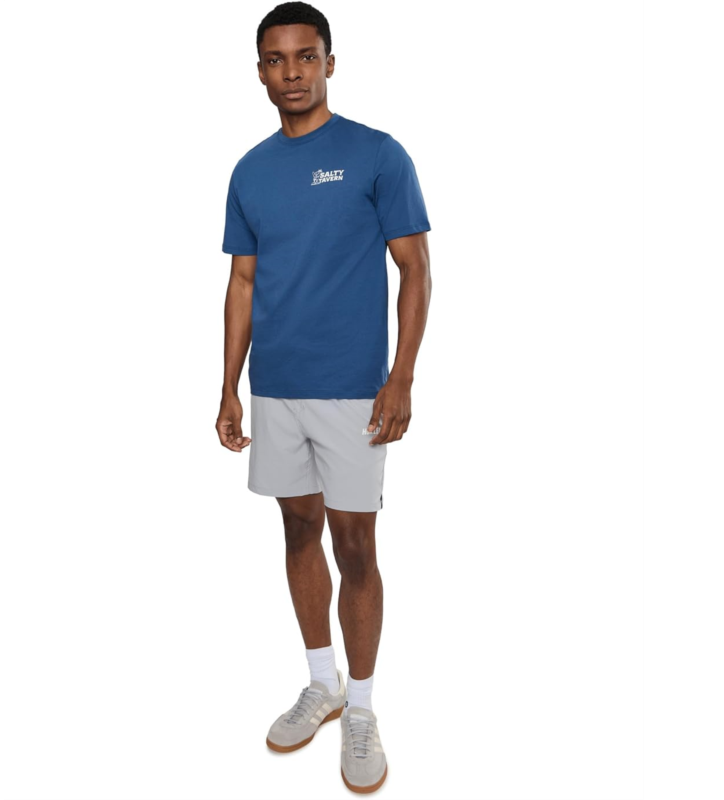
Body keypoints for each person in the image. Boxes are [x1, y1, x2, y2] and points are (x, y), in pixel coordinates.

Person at [215, 2, 432, 793]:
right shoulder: (249, 170)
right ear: (260, 72)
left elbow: (416, 269)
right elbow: (242, 282)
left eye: (306, 57)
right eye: (276, 60)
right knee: (298, 531)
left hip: (352, 393)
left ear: (330, 63)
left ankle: (363, 709)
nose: (292, 72)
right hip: (276, 388)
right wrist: (228, 386)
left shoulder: (377, 154)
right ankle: (322, 683)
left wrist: (402, 376)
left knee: (356, 548)